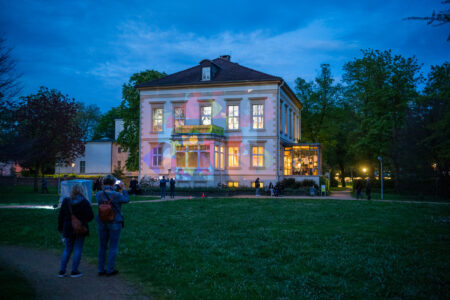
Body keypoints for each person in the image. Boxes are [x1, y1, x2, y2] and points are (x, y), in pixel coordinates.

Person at [58, 184, 94, 278]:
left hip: (67, 227)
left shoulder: (66, 201)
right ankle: (74, 271)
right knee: (78, 249)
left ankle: (62, 270)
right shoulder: (85, 202)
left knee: (67, 249)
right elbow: (90, 216)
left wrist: (60, 228)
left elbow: (61, 215)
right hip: (80, 228)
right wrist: (82, 220)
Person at [96, 174, 129, 276]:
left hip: (102, 221)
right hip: (115, 221)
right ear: (113, 183)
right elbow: (126, 199)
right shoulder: (117, 195)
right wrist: (123, 188)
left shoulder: (99, 194)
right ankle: (110, 269)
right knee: (113, 246)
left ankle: (101, 269)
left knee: (102, 246)